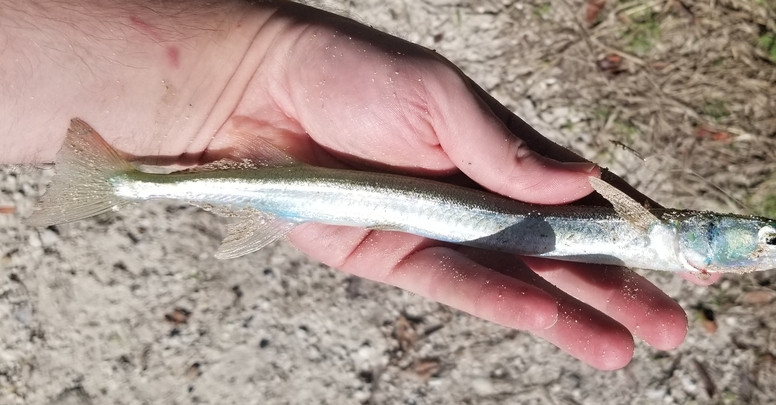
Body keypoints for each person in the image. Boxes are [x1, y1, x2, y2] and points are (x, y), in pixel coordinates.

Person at [0, 0, 717, 370]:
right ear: (703, 234)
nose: (775, 244)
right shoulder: (654, 224)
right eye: (769, 237)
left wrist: (245, 62)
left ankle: (122, 184)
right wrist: (246, 66)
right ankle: (122, 184)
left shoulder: (656, 231)